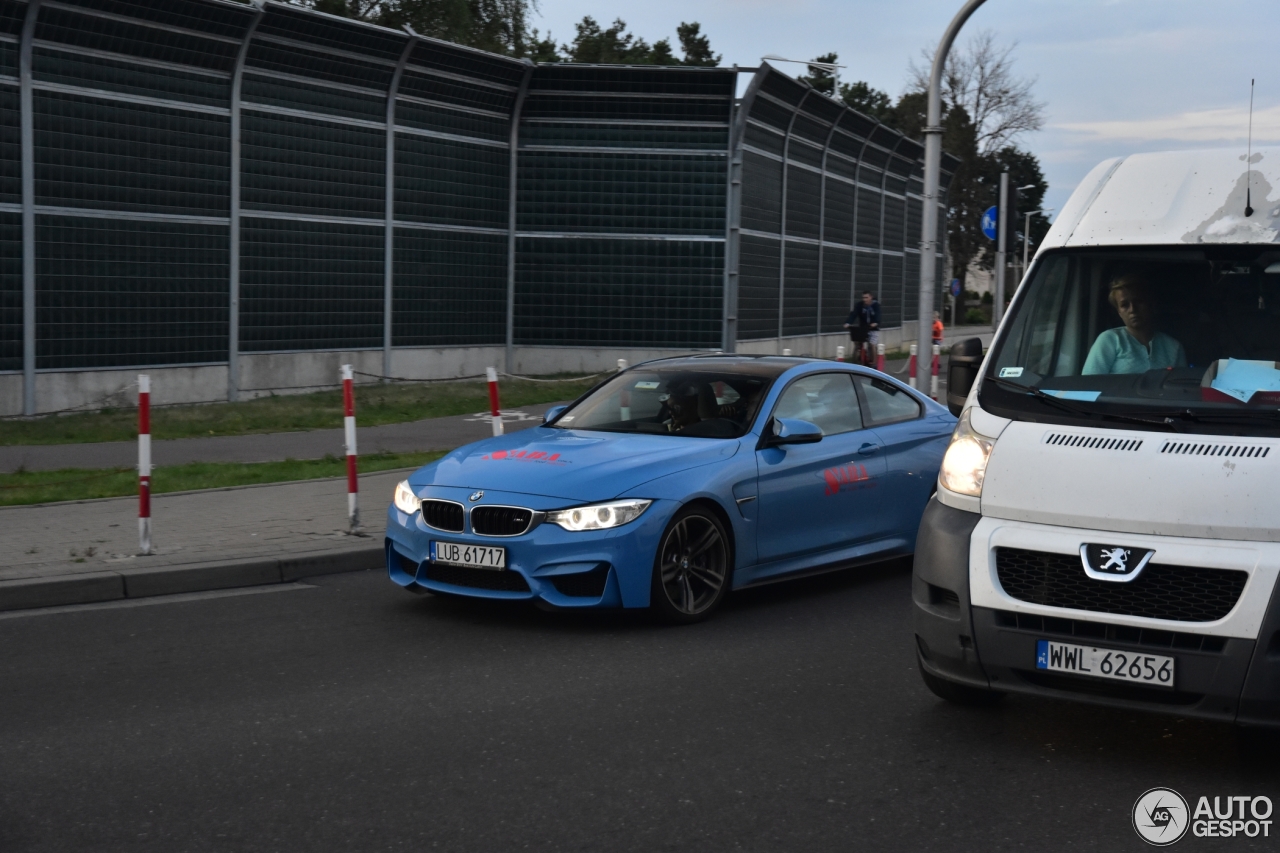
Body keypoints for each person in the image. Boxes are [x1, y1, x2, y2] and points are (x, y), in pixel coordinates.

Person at [1082, 272, 1186, 375]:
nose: (1132, 309)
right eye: (1124, 305)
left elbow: (1180, 386)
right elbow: (1088, 383)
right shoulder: (1110, 340)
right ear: (1119, 312)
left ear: (1151, 304)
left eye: (1138, 302)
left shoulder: (1174, 347)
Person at [844, 292, 881, 365]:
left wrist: (875, 323)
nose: (864, 299)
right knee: (857, 340)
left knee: (872, 344)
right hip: (863, 327)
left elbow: (878, 315)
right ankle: (857, 355)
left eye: (866, 297)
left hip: (873, 328)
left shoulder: (876, 305)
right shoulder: (860, 305)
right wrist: (848, 323)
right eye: (863, 298)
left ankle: (873, 362)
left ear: (871, 297)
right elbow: (854, 314)